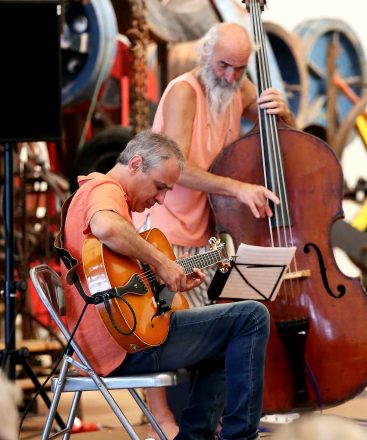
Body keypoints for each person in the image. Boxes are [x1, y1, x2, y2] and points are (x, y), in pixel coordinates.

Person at [132, 21, 294, 437]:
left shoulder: (238, 92)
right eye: (223, 65)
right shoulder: (186, 91)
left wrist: (286, 115)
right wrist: (239, 189)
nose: (231, 77)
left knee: (216, 328)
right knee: (159, 320)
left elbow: (275, 143)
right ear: (206, 56)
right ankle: (160, 421)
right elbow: (178, 167)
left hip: (204, 233)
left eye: (240, 70)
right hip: (163, 228)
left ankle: (210, 422)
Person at [60, 130, 270, 440]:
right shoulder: (104, 189)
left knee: (227, 340)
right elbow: (105, 226)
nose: (160, 199)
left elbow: (119, 284)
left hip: (115, 340)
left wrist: (168, 283)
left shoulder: (100, 194)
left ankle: (195, 437)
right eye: (160, 187)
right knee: (251, 317)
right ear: (135, 164)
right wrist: (162, 262)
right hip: (120, 347)